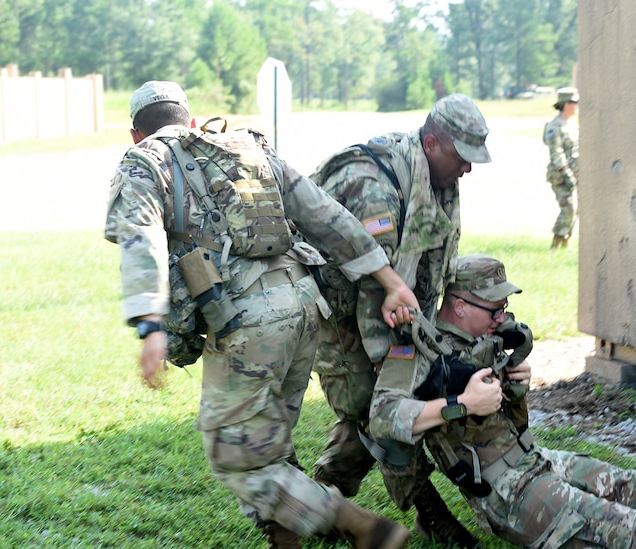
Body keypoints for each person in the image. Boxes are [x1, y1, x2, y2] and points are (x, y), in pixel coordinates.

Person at [104, 81, 417, 549]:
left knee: (237, 458)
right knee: (269, 441)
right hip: (305, 307)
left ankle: (357, 524)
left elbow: (140, 240)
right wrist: (390, 281)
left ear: (135, 134)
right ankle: (285, 539)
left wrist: (149, 325)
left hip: (246, 323)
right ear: (190, 121)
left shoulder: (142, 161)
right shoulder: (245, 148)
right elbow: (323, 214)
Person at [368, 253, 636, 549]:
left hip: (536, 461)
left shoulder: (484, 338)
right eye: (494, 310)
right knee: (635, 532)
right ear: (460, 305)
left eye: (505, 309)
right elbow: (383, 417)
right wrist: (462, 403)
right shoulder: (421, 352)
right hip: (506, 496)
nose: (502, 319)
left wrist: (514, 383)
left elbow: (515, 429)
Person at [306, 93, 491, 547]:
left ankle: (321, 497)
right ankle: (428, 512)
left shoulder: (436, 178)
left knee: (377, 407)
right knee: (379, 404)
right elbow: (375, 285)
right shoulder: (374, 186)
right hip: (334, 308)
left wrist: (434, 338)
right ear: (432, 143)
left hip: (382, 304)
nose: (467, 168)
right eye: (461, 157)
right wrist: (394, 368)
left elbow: (430, 264)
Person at [543, 86, 580, 250]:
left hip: (576, 173)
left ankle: (565, 243)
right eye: (575, 102)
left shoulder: (571, 125)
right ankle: (555, 245)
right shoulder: (554, 126)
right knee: (568, 208)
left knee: (575, 209)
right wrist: (567, 174)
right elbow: (556, 152)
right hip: (561, 175)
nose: (577, 106)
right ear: (566, 104)